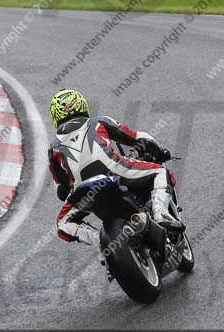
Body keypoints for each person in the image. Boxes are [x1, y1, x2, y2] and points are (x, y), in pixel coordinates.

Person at [48, 89, 185, 248]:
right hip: (115, 171)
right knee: (161, 172)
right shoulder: (98, 122)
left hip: (83, 189)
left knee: (63, 223)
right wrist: (159, 151)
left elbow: (61, 189)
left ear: (55, 116)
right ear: (82, 105)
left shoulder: (54, 148)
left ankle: (99, 240)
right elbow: (136, 138)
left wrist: (71, 189)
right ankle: (161, 214)